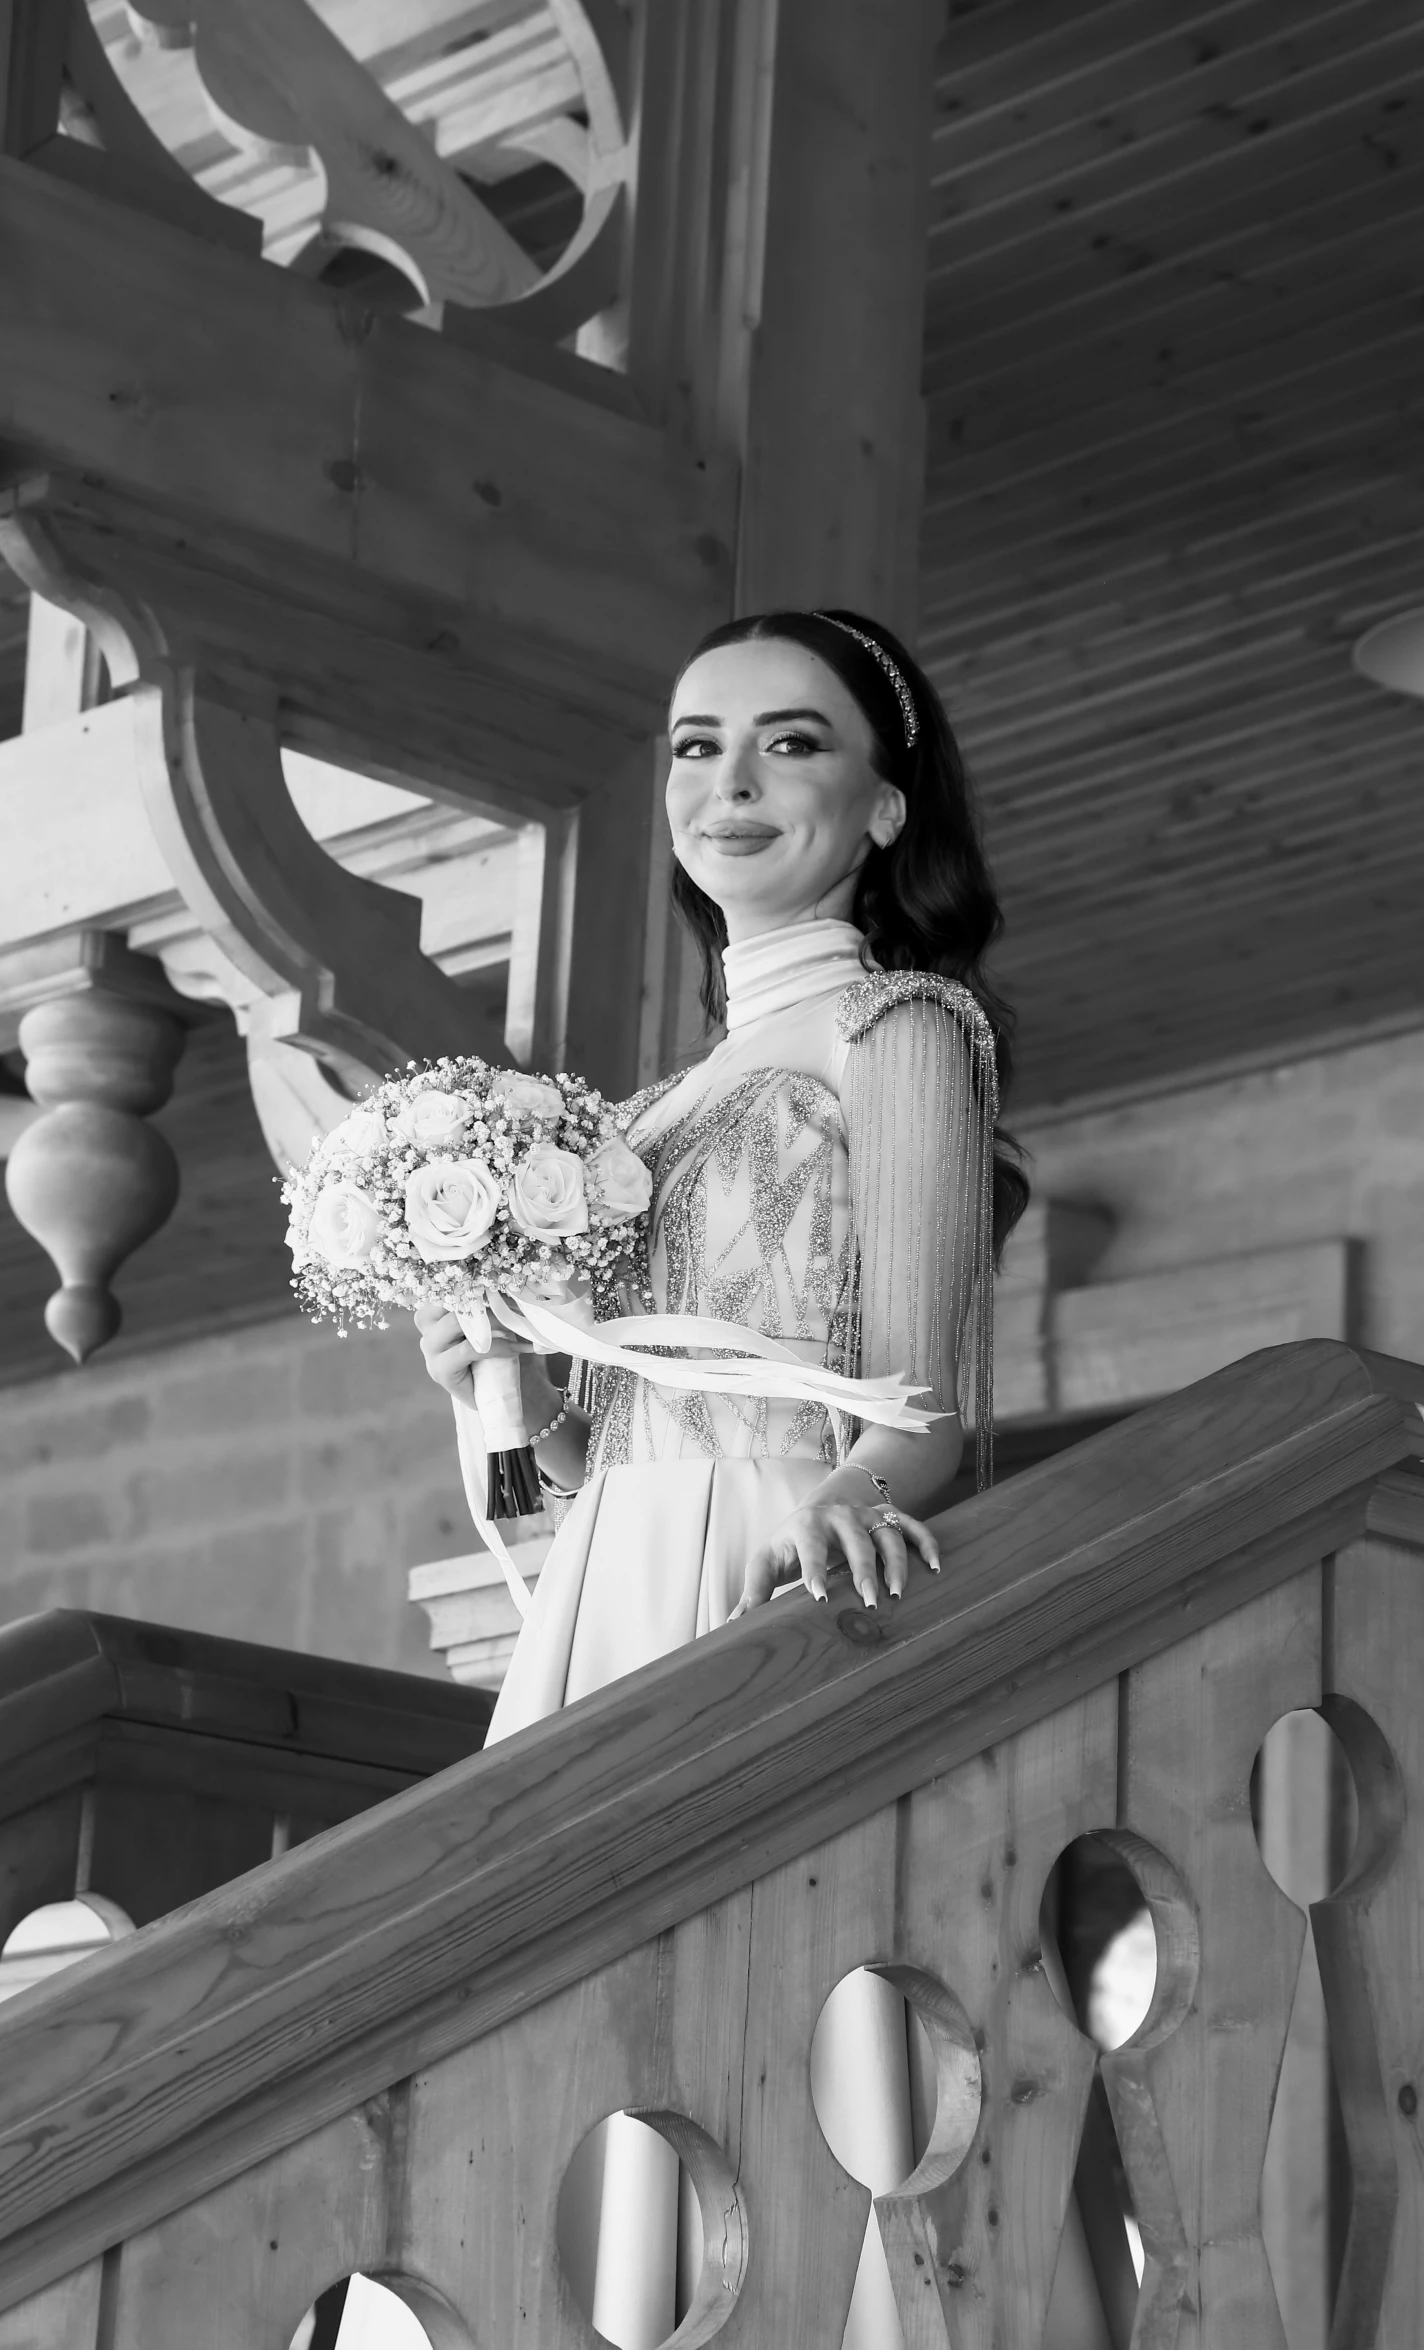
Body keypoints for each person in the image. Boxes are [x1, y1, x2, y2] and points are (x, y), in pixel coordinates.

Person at [416, 611, 1109, 2350]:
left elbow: (923, 1396)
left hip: (769, 1570)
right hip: (616, 1588)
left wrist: (859, 1491)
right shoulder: (643, 1111)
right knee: (574, 2044)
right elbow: (597, 1460)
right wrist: (501, 1390)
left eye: (790, 743)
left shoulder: (904, 1034)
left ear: (885, 806)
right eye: (692, 745)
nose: (729, 781)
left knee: (755, 2022)